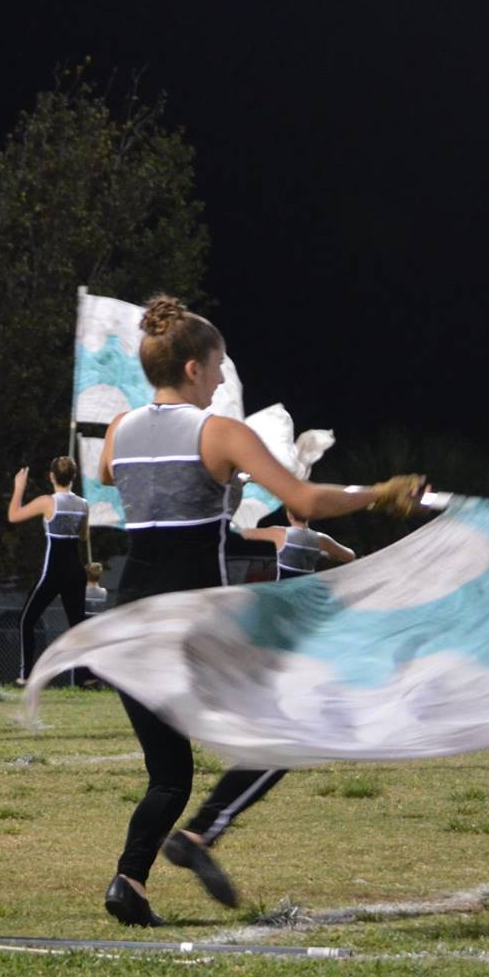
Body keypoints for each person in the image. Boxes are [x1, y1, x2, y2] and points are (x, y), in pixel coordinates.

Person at [97, 295, 423, 928]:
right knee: (290, 725)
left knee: (169, 774)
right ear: (193, 367)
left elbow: (111, 474)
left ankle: (128, 883)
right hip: (194, 615)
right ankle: (198, 838)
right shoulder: (219, 433)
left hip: (128, 617)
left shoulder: (119, 430)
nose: (223, 377)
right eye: (218, 365)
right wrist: (379, 493)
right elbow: (306, 499)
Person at [8, 456, 91, 685]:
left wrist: (19, 487)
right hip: (76, 572)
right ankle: (85, 677)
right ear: (73, 477)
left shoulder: (47, 502)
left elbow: (13, 515)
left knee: (27, 621)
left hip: (54, 571)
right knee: (77, 625)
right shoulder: (83, 504)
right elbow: (83, 536)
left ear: (52, 476)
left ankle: (26, 675)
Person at [239, 511, 355, 580]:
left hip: (284, 591)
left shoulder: (279, 533)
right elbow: (350, 556)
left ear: (289, 514)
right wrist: (330, 555)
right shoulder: (322, 539)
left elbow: (244, 533)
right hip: (308, 591)